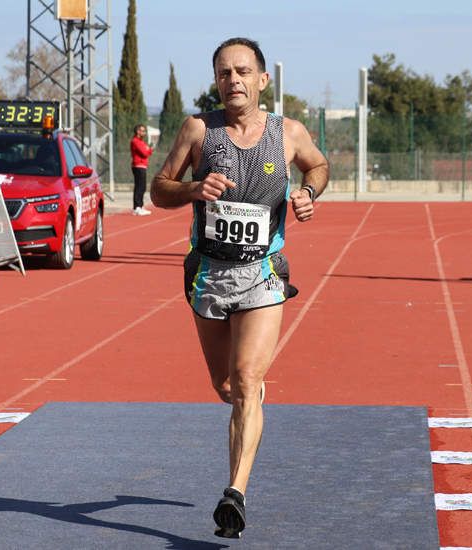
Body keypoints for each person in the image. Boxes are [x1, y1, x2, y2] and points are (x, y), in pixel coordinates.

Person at [151, 37, 329, 538]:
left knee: (248, 379)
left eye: (244, 71)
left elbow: (318, 164)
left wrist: (309, 192)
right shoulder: (199, 131)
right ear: (216, 80)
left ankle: (235, 494)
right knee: (227, 387)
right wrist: (192, 188)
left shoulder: (288, 133)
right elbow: (158, 188)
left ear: (262, 79)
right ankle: (248, 402)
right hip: (208, 273)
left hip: (265, 272)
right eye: (225, 72)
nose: (235, 80)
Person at [130, 124, 154, 215]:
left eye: (144, 131)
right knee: (139, 187)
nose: (144, 132)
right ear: (138, 131)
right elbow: (144, 153)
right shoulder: (135, 141)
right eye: (142, 131)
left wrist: (149, 149)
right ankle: (137, 207)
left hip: (142, 166)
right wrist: (148, 150)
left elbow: (148, 151)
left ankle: (140, 206)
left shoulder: (141, 142)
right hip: (138, 166)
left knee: (142, 187)